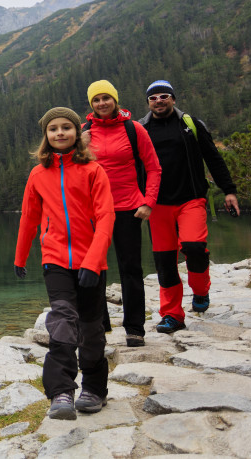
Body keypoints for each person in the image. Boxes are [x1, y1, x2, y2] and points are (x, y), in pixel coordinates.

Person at [13, 106, 115, 420]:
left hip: (91, 260)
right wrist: (20, 256)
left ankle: (95, 390)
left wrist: (94, 261)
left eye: (66, 128)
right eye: (53, 129)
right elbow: (29, 218)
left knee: (91, 330)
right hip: (55, 259)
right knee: (62, 323)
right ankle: (61, 393)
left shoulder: (93, 171)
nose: (60, 133)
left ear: (76, 133)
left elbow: (106, 216)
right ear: (46, 136)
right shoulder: (37, 174)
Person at [139, 80, 240, 334]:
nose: (159, 101)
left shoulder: (190, 125)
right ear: (148, 103)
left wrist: (229, 190)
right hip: (157, 205)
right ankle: (172, 315)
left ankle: (201, 289)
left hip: (191, 199)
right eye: (153, 98)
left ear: (173, 99)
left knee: (194, 247)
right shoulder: (141, 130)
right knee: (164, 261)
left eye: (164, 96)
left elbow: (213, 159)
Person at [83, 80, 161, 348]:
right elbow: (72, 172)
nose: (102, 103)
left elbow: (153, 167)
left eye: (106, 98)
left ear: (115, 100)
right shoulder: (84, 132)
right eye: (96, 100)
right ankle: (99, 325)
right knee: (93, 267)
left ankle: (135, 328)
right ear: (91, 104)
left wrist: (148, 201)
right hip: (93, 211)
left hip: (128, 207)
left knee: (130, 269)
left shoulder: (133, 129)